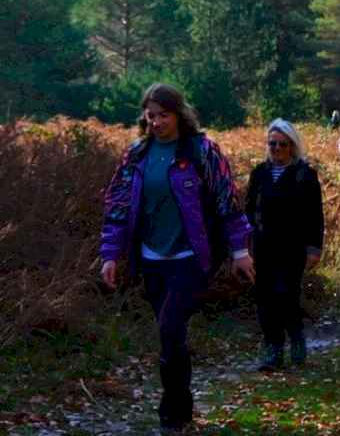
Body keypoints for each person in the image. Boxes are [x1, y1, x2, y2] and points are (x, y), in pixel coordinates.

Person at [100, 83, 254, 431]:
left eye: (163, 115)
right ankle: (181, 405)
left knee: (170, 327)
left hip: (191, 256)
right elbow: (118, 206)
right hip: (151, 258)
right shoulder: (137, 155)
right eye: (150, 115)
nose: (156, 122)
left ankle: (171, 411)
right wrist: (110, 254)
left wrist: (241, 250)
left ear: (179, 114)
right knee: (171, 335)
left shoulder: (201, 151)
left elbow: (227, 201)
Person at [244, 120, 324, 371]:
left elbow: (315, 215)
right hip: (263, 246)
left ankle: (297, 338)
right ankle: (273, 348)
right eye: (272, 144)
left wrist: (314, 247)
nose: (276, 148)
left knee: (287, 296)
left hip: (293, 247)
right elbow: (248, 211)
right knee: (265, 298)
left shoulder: (305, 174)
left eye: (282, 144)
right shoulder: (259, 174)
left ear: (292, 146)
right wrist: (242, 246)